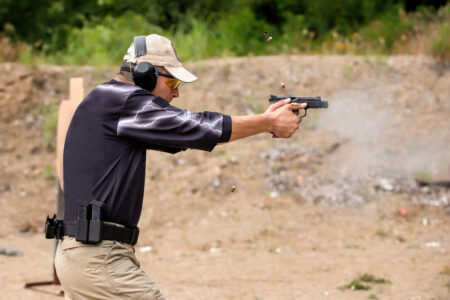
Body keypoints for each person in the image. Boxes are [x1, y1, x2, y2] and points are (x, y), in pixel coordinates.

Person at [53, 34, 305, 300]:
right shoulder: (122, 100)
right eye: (171, 81)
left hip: (89, 255)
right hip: (96, 258)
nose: (176, 91)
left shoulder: (110, 102)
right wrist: (267, 123)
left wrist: (264, 121)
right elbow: (195, 126)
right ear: (145, 74)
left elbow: (187, 135)